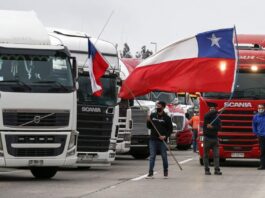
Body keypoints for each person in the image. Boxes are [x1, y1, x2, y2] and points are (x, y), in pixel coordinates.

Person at [146, 101, 173, 179]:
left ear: (163, 107)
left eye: (159, 106)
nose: (157, 107)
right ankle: (150, 173)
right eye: (157, 106)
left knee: (164, 156)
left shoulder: (167, 118)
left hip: (162, 141)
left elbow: (170, 130)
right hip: (153, 139)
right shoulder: (153, 115)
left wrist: (165, 136)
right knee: (152, 156)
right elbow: (149, 127)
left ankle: (165, 171)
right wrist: (148, 120)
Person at [203, 102, 222, 175]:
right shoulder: (206, 117)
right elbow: (207, 115)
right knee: (206, 156)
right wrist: (217, 111)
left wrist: (213, 127)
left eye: (213, 109)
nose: (212, 110)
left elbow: (219, 128)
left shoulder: (217, 119)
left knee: (216, 155)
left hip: (215, 139)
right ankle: (206, 170)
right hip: (207, 139)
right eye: (211, 108)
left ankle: (217, 170)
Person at [252, 104, 265, 170]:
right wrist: (256, 133)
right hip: (261, 136)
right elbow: (254, 126)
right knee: (262, 151)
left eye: (262, 108)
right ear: (257, 109)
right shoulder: (255, 117)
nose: (261, 109)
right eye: (259, 108)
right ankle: (262, 165)